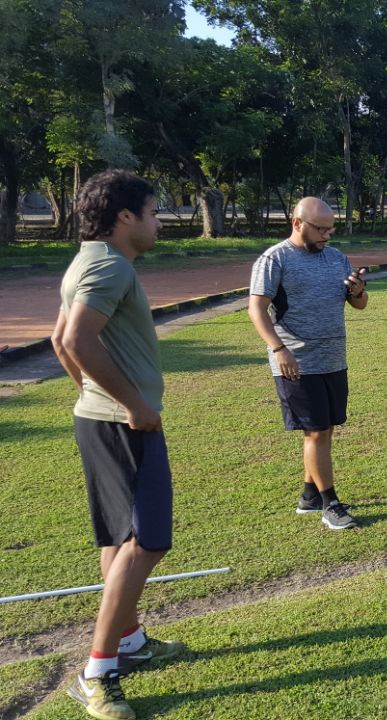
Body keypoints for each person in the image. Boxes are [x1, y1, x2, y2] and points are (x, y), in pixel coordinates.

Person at [51, 170, 183, 720]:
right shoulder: (109, 265)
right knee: (148, 540)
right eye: (153, 212)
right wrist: (131, 404)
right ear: (125, 217)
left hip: (100, 419)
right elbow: (77, 338)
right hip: (125, 426)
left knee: (120, 535)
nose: (158, 223)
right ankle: (98, 670)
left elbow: (61, 340)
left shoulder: (88, 259)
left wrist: (90, 394)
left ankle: (127, 639)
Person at [249, 198, 368, 530]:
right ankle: (330, 503)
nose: (327, 235)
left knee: (324, 430)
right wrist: (278, 349)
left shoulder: (336, 258)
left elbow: (360, 305)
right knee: (315, 432)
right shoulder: (275, 259)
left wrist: (358, 291)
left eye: (331, 228)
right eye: (320, 229)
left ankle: (309, 497)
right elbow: (256, 309)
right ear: (297, 223)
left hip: (332, 358)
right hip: (296, 362)